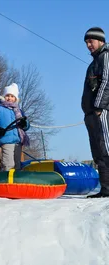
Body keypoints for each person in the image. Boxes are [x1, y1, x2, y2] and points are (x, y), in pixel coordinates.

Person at [82, 27, 109, 198]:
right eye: (86, 42)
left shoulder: (105, 56)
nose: (88, 45)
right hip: (91, 113)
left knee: (105, 148)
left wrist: (99, 106)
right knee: (97, 151)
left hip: (102, 111)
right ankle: (106, 188)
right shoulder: (93, 63)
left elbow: (107, 81)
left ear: (100, 40)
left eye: (90, 41)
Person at [0, 83, 29, 171]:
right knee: (8, 164)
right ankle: (6, 179)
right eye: (7, 95)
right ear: (4, 96)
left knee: (17, 165)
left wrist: (24, 124)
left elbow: (27, 125)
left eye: (12, 96)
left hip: (18, 141)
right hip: (6, 140)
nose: (9, 98)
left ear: (15, 99)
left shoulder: (18, 111)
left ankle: (16, 182)